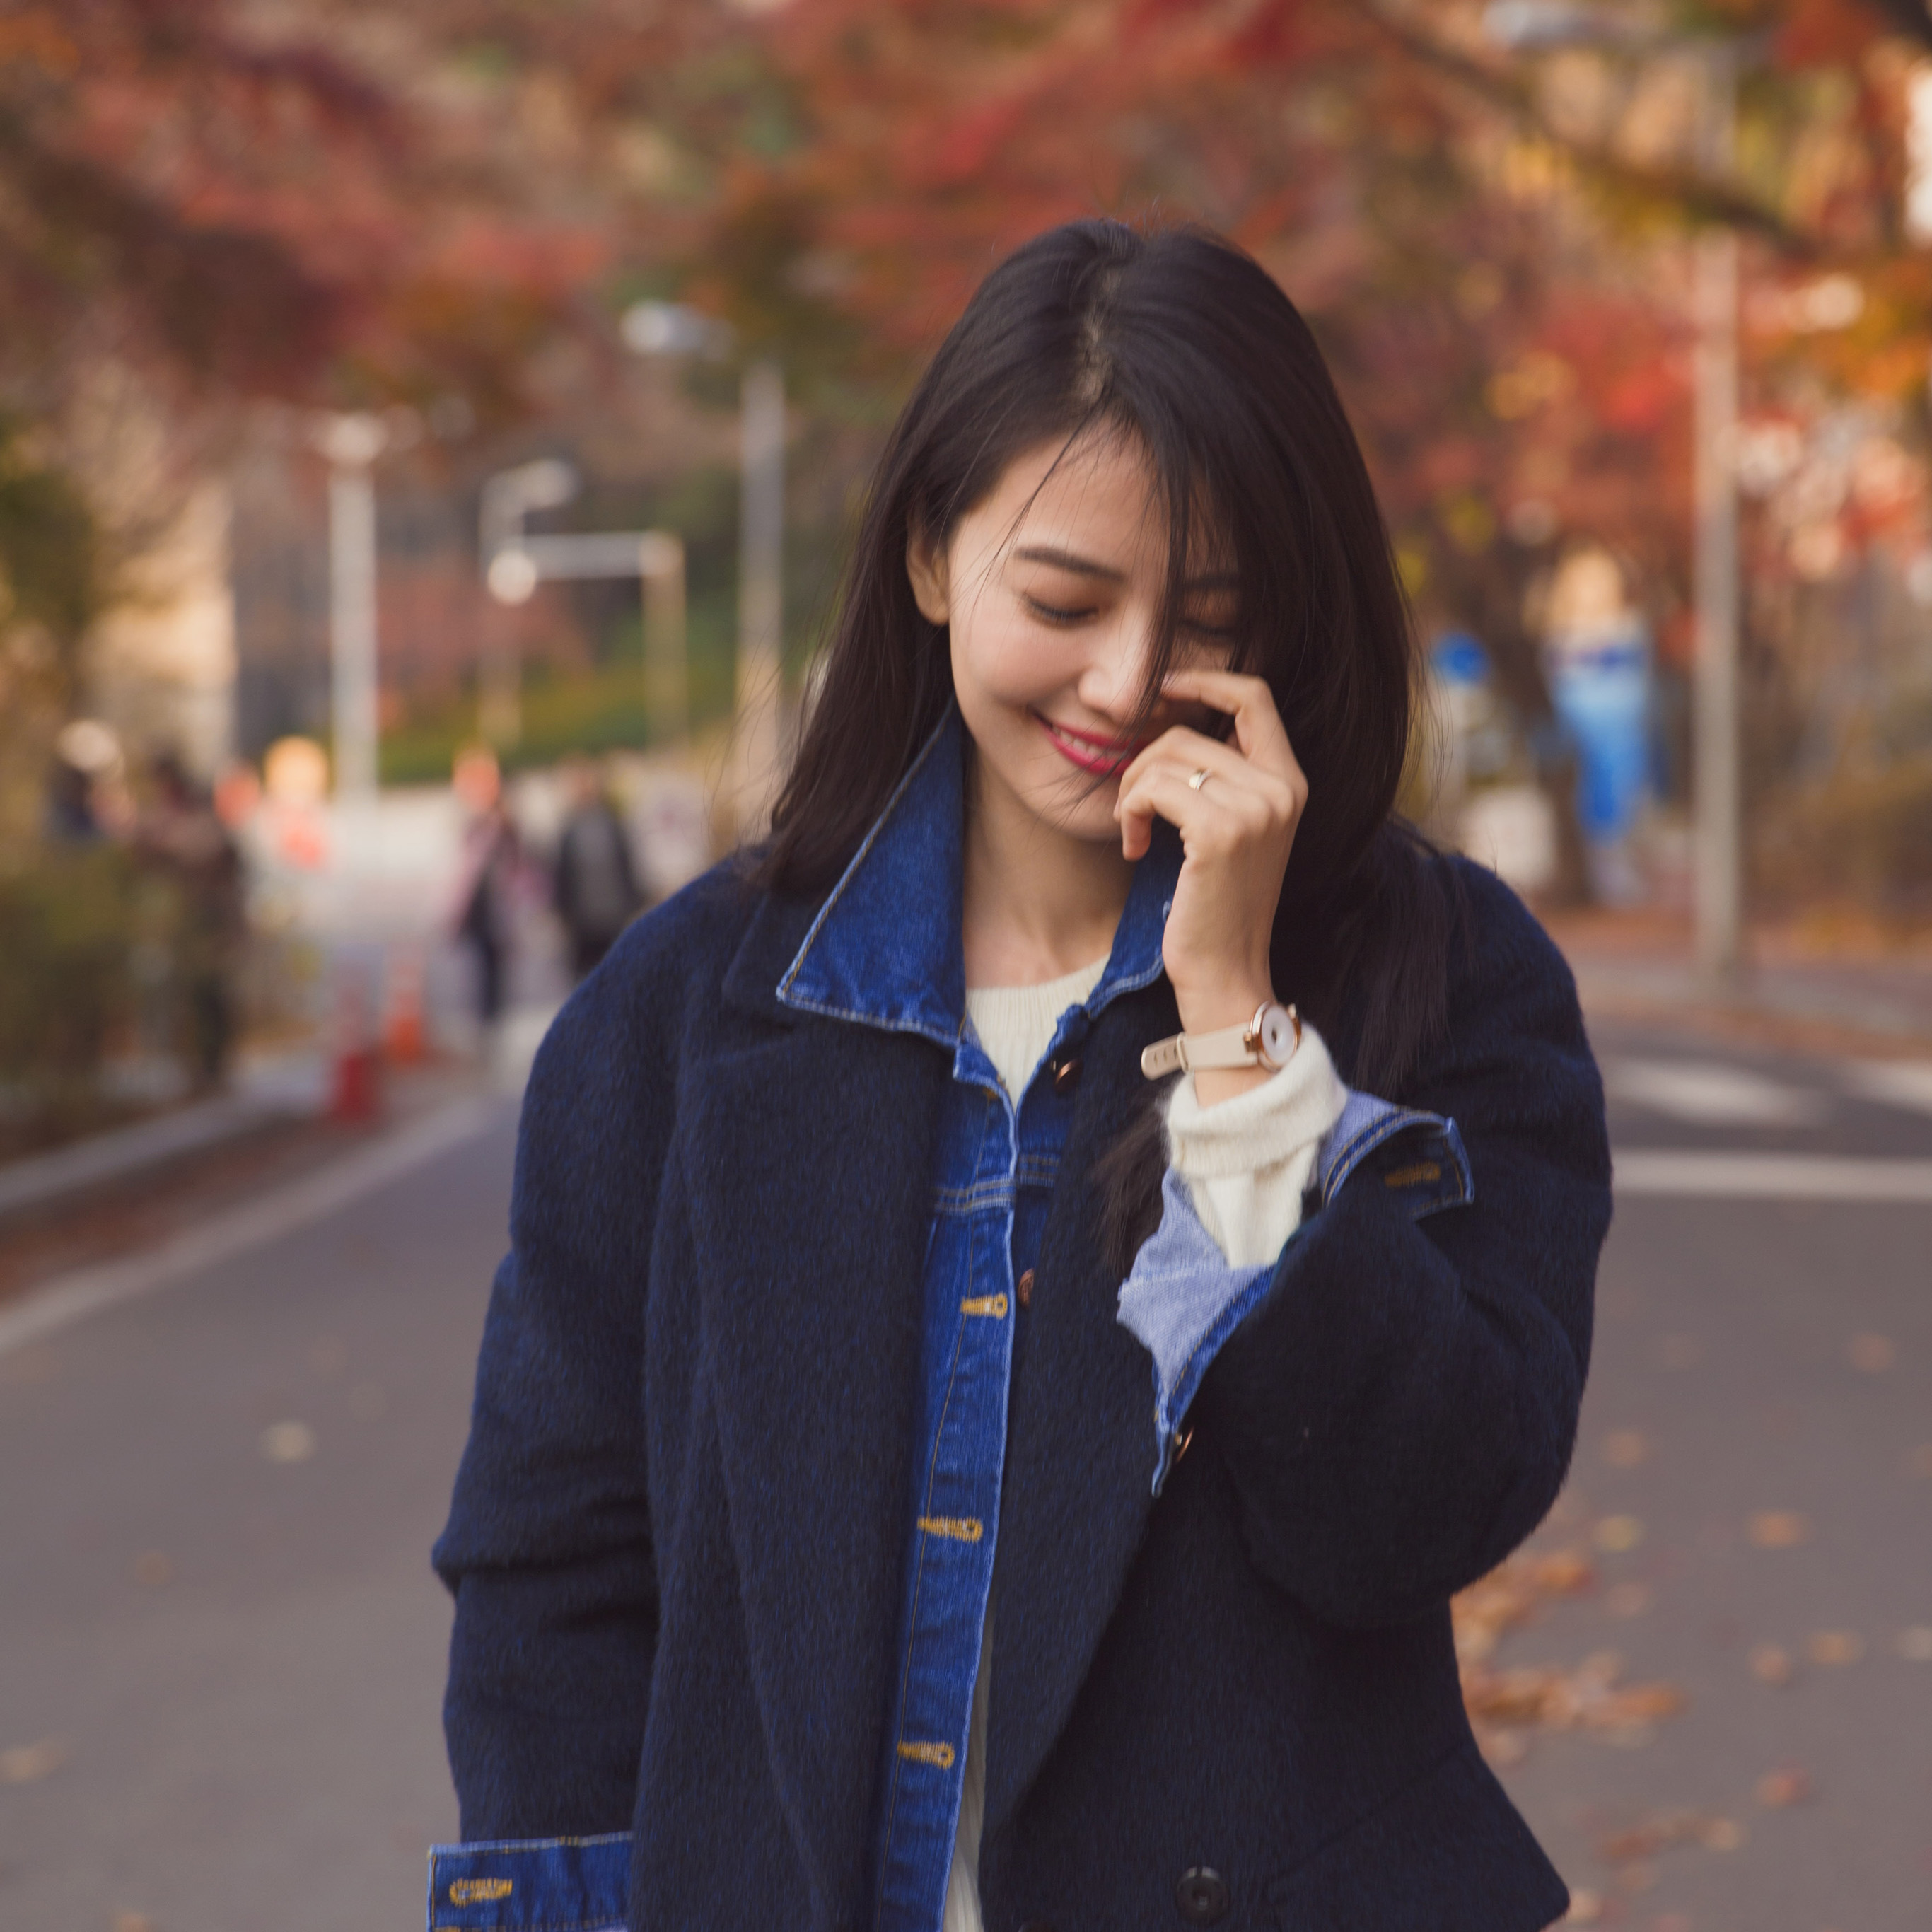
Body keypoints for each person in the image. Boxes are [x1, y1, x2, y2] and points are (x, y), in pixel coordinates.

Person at [431, 221, 1610, 1932]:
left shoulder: (1441, 975)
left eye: (1206, 618)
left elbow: (1410, 1513)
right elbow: (552, 1571)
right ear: (930, 553)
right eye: (1063, 599)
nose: (1123, 685)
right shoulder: (679, 1013)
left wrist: (1238, 1035)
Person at [552, 754, 644, 981]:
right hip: (583, 921)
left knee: (615, 972)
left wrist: (634, 902)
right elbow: (562, 875)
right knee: (585, 977)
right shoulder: (569, 829)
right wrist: (563, 914)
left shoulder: (612, 822)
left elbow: (627, 864)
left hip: (613, 914)